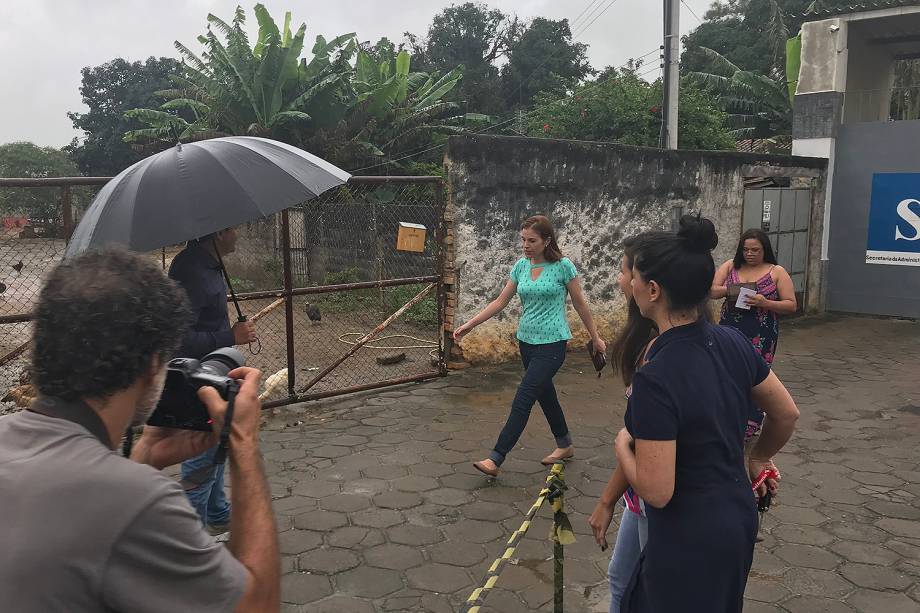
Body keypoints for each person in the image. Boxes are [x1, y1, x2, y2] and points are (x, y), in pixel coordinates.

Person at [0, 249, 279, 612]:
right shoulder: (137, 502)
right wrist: (243, 443)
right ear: (152, 366)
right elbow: (256, 605)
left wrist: (142, 458)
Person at [614, 216, 799, 612]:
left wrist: (622, 450)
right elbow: (785, 413)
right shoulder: (731, 341)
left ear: (652, 290)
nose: (627, 283)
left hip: (687, 534)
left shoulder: (657, 376)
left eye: (633, 278)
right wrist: (759, 456)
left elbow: (657, 490)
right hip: (736, 520)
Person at [453, 215, 606, 477]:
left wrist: (596, 336)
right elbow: (500, 301)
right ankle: (565, 444)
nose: (525, 245)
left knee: (524, 396)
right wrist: (470, 324)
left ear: (547, 241)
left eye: (532, 240)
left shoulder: (563, 267)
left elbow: (580, 304)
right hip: (527, 342)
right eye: (523, 239)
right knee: (546, 395)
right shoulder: (521, 267)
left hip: (553, 343)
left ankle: (496, 457)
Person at [169, 228, 257, 534]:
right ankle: (190, 539)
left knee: (214, 442)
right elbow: (177, 340)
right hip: (195, 378)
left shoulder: (207, 264)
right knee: (200, 454)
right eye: (233, 229)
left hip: (211, 371)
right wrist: (230, 336)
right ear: (219, 234)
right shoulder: (192, 272)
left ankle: (218, 514)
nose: (238, 235)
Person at [588, 235, 654, 613]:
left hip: (655, 494)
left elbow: (642, 446)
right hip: (637, 495)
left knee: (648, 589)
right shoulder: (645, 342)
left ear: (650, 286)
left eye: (624, 271)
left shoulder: (659, 357)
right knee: (620, 577)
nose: (619, 280)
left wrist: (606, 499)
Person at [711, 229, 797, 440]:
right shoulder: (731, 266)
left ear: (764, 250)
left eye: (755, 250)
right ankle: (725, 418)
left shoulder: (776, 272)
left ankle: (750, 424)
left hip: (761, 332)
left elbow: (791, 305)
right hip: (730, 328)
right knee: (726, 372)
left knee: (755, 375)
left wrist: (765, 302)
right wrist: (734, 289)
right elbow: (711, 290)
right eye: (746, 249)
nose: (750, 254)